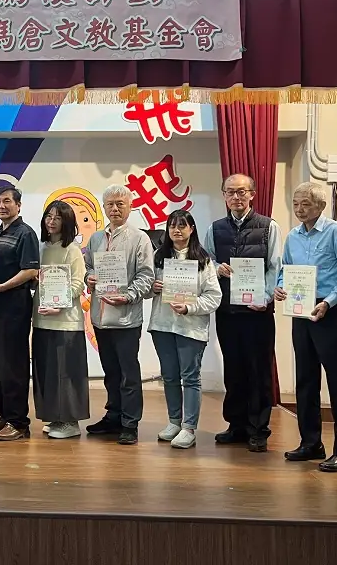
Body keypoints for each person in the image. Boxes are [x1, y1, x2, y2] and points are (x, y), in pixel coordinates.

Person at [275, 181, 337, 473]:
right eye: (296, 204)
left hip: (329, 311)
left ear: (321, 206)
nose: (300, 209)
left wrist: (329, 302)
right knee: (306, 379)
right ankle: (311, 442)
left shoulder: (336, 232)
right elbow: (285, 271)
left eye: (306, 204)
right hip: (300, 310)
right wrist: (279, 287)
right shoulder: (293, 237)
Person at [204, 173, 283, 453]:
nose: (236, 197)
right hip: (227, 310)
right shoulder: (215, 228)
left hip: (257, 312)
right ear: (224, 195)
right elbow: (206, 260)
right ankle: (236, 425)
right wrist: (217, 268)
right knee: (234, 368)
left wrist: (266, 298)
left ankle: (258, 429)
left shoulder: (268, 226)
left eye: (241, 191)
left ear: (252, 194)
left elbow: (276, 265)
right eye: (230, 192)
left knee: (258, 370)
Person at [83, 185, 155, 446]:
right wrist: (89, 277)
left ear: (130, 207)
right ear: (104, 207)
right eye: (110, 204)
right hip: (100, 317)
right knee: (110, 372)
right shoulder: (95, 239)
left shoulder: (139, 238)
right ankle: (113, 416)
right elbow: (88, 267)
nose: (114, 209)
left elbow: (146, 276)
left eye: (120, 204)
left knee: (128, 374)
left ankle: (130, 423)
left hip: (126, 318)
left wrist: (129, 296)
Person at [146, 210, 222, 449]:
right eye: (172, 226)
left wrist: (190, 307)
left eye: (182, 226)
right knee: (169, 376)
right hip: (162, 325)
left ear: (191, 229)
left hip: (191, 327)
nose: (176, 230)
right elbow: (145, 289)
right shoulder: (159, 256)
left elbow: (214, 297)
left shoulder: (203, 259)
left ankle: (189, 428)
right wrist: (153, 288)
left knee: (190, 377)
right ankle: (174, 422)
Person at [0, 186, 40, 441]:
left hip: (15, 305)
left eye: (7, 201)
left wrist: (2, 287)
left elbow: (31, 271)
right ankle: (3, 414)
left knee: (13, 364)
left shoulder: (26, 233)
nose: (1, 206)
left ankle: (19, 423)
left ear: (18, 205)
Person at [33, 200, 89, 439]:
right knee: (47, 372)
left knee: (67, 373)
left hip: (66, 321)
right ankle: (55, 417)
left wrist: (59, 305)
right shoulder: (40, 247)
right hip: (41, 319)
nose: (52, 221)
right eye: (49, 216)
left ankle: (71, 422)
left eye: (57, 217)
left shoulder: (72, 250)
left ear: (67, 222)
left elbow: (78, 284)